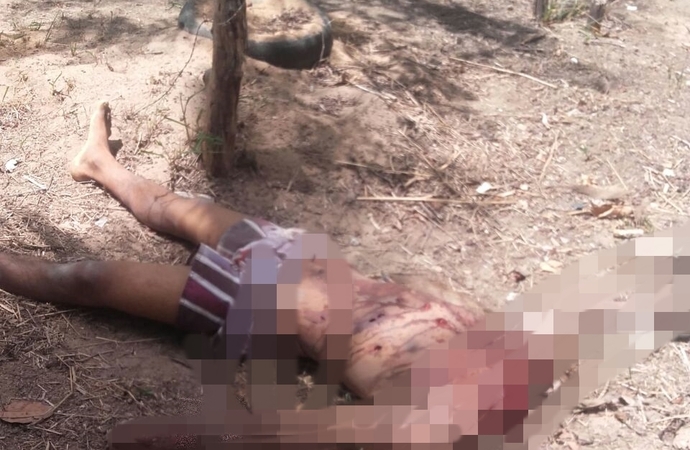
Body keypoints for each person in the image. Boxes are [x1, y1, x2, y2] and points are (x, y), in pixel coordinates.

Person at [5, 102, 557, 449]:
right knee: (169, 207)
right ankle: (97, 161)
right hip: (298, 258)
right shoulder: (498, 340)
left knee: (90, 279)